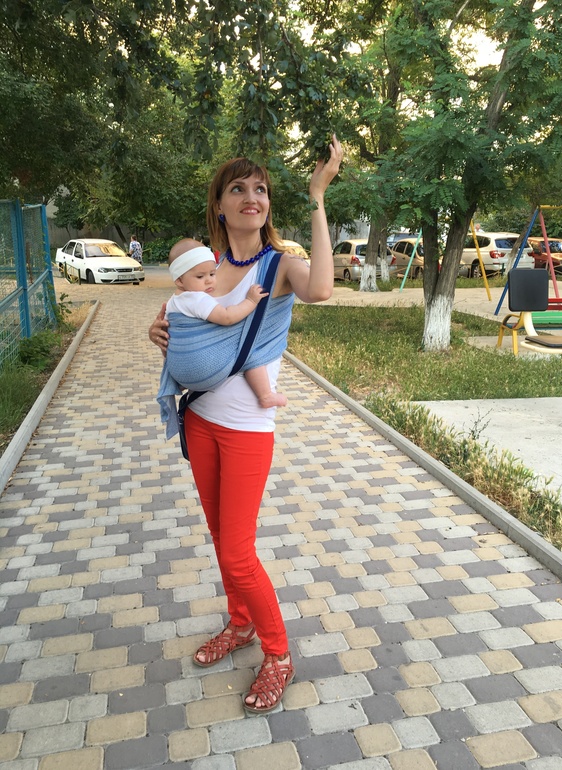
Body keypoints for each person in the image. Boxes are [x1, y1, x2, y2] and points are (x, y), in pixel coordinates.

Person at [149, 135, 342, 714]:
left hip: (247, 430)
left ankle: (278, 654)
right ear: (220, 205)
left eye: (260, 189)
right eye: (238, 189)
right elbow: (178, 326)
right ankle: (240, 624)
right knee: (221, 539)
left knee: (237, 552)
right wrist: (157, 333)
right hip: (200, 421)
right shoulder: (203, 272)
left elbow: (322, 289)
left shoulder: (278, 265)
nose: (251, 197)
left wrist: (317, 195)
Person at [161, 236, 287, 409]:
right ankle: (265, 395)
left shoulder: (173, 301)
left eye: (212, 274)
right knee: (252, 355)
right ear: (179, 281)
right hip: (202, 369)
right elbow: (227, 317)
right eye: (200, 276)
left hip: (179, 371)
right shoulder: (197, 299)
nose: (209, 280)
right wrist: (251, 301)